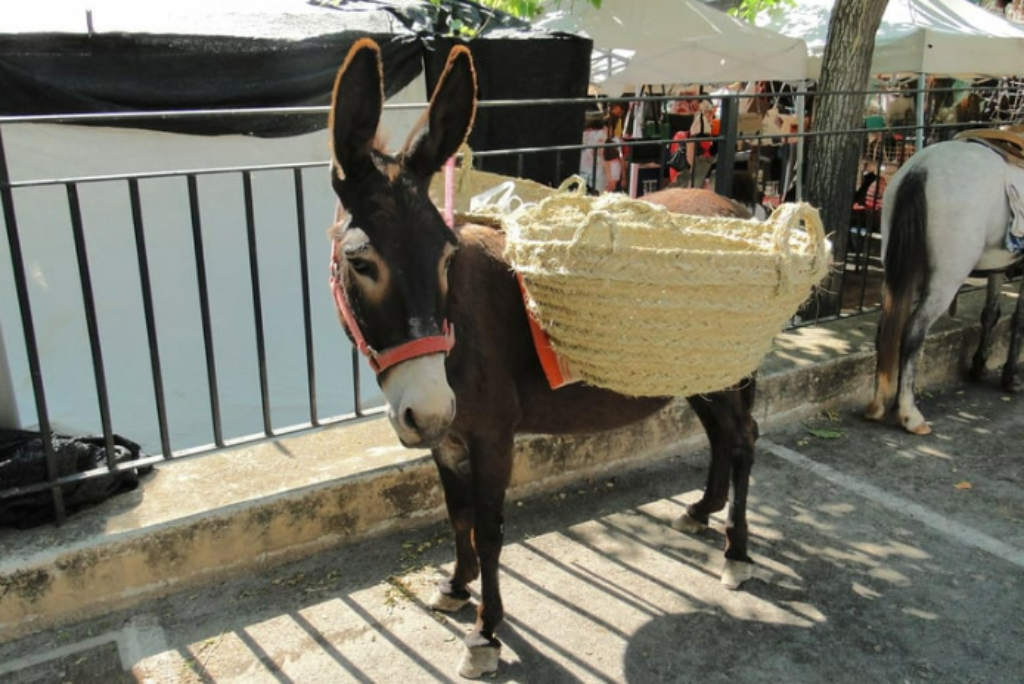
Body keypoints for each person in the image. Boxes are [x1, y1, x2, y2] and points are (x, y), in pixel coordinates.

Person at [686, 99, 718, 189]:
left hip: (700, 150)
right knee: (699, 177)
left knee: (697, 177)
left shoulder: (700, 118)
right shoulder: (702, 119)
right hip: (701, 150)